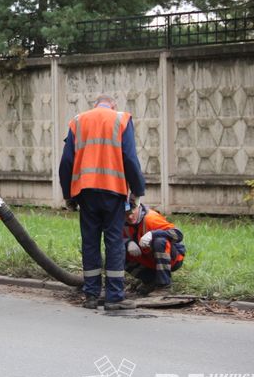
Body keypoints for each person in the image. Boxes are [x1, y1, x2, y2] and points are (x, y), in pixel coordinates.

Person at [59, 94, 146, 311]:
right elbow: (130, 158)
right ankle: (114, 296)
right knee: (114, 241)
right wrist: (137, 190)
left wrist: (68, 195)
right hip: (113, 190)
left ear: (94, 105)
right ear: (113, 105)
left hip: (85, 191)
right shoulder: (122, 119)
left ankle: (91, 295)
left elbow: (67, 161)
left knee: (90, 242)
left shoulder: (78, 121)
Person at [124, 202, 185, 295]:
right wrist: (128, 243)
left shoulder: (150, 218)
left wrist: (153, 234)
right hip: (147, 257)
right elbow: (114, 240)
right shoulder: (120, 222)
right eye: (126, 214)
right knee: (117, 251)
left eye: (132, 213)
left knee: (159, 241)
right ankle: (150, 281)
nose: (130, 217)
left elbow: (178, 234)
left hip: (172, 258)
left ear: (138, 208)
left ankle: (164, 286)